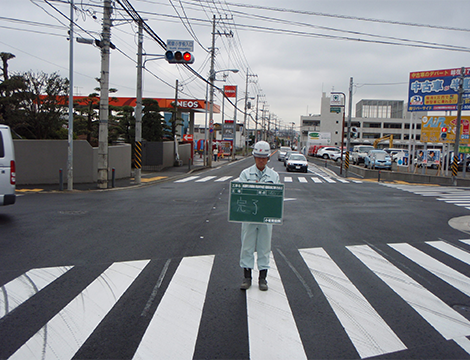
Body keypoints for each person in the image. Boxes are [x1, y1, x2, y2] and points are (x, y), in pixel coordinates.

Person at [238, 140, 280, 291]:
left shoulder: (273, 176)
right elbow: (239, 195)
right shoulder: (245, 174)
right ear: (254, 157)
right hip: (249, 218)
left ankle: (263, 278)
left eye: (264, 157)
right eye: (258, 157)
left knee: (264, 247)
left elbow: (276, 198)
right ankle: (246, 277)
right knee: (247, 247)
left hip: (266, 218)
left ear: (268, 158)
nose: (261, 160)